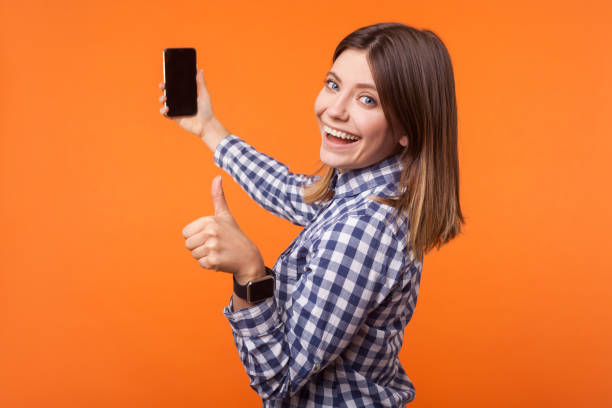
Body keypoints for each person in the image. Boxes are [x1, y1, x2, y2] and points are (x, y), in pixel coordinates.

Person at [158, 22, 464, 407]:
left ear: (409, 125)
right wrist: (208, 128)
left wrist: (249, 272)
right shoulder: (365, 190)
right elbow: (288, 191)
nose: (334, 111)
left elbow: (280, 377)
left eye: (367, 100)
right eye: (334, 85)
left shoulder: (363, 226)